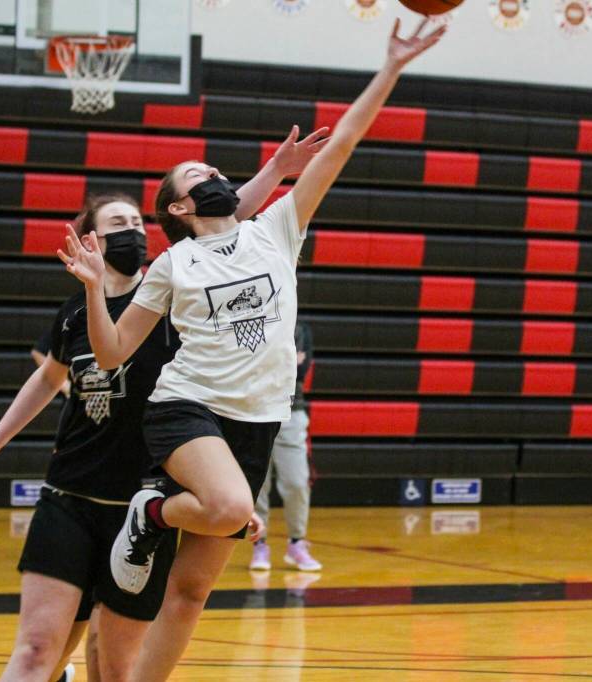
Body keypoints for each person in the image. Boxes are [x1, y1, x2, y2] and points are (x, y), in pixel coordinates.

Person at [59, 18, 446, 680]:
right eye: (194, 174)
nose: (210, 173)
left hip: (258, 421)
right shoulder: (174, 263)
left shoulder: (275, 229)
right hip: (187, 410)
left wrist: (391, 68)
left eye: (212, 167)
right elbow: (116, 351)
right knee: (234, 510)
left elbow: (345, 142)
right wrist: (96, 290)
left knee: (192, 592)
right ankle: (149, 510)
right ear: (178, 208)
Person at [0, 125, 326, 682]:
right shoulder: (80, 314)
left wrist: (222, 499)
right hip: (72, 490)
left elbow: (228, 216)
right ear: (90, 242)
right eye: (115, 224)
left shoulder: (181, 288)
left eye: (136, 221)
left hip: (146, 493)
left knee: (113, 662)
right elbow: (50, 378)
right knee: (38, 652)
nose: (131, 231)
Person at [249, 320, 320, 572]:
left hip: (292, 412)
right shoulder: (258, 320)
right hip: (255, 411)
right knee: (259, 483)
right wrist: (286, 358)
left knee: (297, 481)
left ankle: (297, 543)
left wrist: (270, 360)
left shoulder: (301, 328)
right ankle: (260, 545)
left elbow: (300, 371)